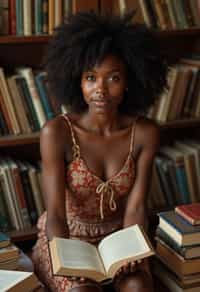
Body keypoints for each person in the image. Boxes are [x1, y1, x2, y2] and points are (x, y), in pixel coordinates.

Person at [32, 11, 168, 292]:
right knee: (82, 291)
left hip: (121, 237)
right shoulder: (56, 133)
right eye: (91, 78)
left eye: (113, 78)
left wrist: (131, 252)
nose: (100, 90)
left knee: (138, 287)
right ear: (77, 82)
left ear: (129, 80)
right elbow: (55, 214)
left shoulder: (144, 133)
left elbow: (136, 207)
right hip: (66, 240)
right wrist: (69, 263)